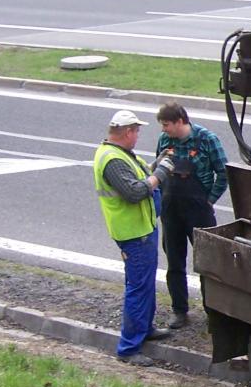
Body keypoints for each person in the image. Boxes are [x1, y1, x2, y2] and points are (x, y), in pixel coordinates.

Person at [93, 109, 175, 366]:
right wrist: (161, 173)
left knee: (145, 282)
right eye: (137, 131)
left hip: (142, 229)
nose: (138, 136)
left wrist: (156, 164)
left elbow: (138, 176)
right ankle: (128, 348)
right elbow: (134, 191)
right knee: (138, 288)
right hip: (133, 233)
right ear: (127, 132)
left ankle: (145, 328)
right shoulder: (112, 160)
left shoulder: (120, 154)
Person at [153, 100, 229, 329]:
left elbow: (224, 173)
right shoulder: (165, 141)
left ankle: (213, 312)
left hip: (199, 211)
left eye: (166, 124)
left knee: (208, 264)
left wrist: (210, 200)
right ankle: (180, 311)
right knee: (175, 261)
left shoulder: (207, 139)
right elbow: (158, 170)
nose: (163, 129)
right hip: (171, 209)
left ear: (180, 121)